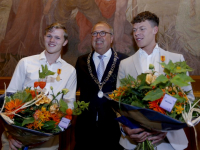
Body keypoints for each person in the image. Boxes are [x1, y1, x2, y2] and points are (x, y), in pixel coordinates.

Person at [117, 11, 194, 150]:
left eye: (142, 29)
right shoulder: (125, 64)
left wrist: (167, 127)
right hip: (134, 141)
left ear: (155, 30)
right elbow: (119, 104)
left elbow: (188, 99)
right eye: (134, 30)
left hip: (169, 142)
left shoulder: (176, 60)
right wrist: (124, 128)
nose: (136, 33)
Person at [1, 23, 77, 150]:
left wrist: (58, 129)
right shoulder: (26, 63)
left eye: (57, 38)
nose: (52, 40)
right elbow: (9, 99)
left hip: (48, 140)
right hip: (17, 136)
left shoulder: (69, 70)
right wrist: (11, 134)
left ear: (65, 42)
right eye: (49, 36)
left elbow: (69, 106)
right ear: (44, 38)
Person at [74, 21, 127, 150]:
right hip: (85, 128)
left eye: (103, 33)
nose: (98, 36)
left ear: (112, 38)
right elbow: (72, 92)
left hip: (113, 127)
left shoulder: (124, 61)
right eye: (95, 33)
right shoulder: (81, 61)